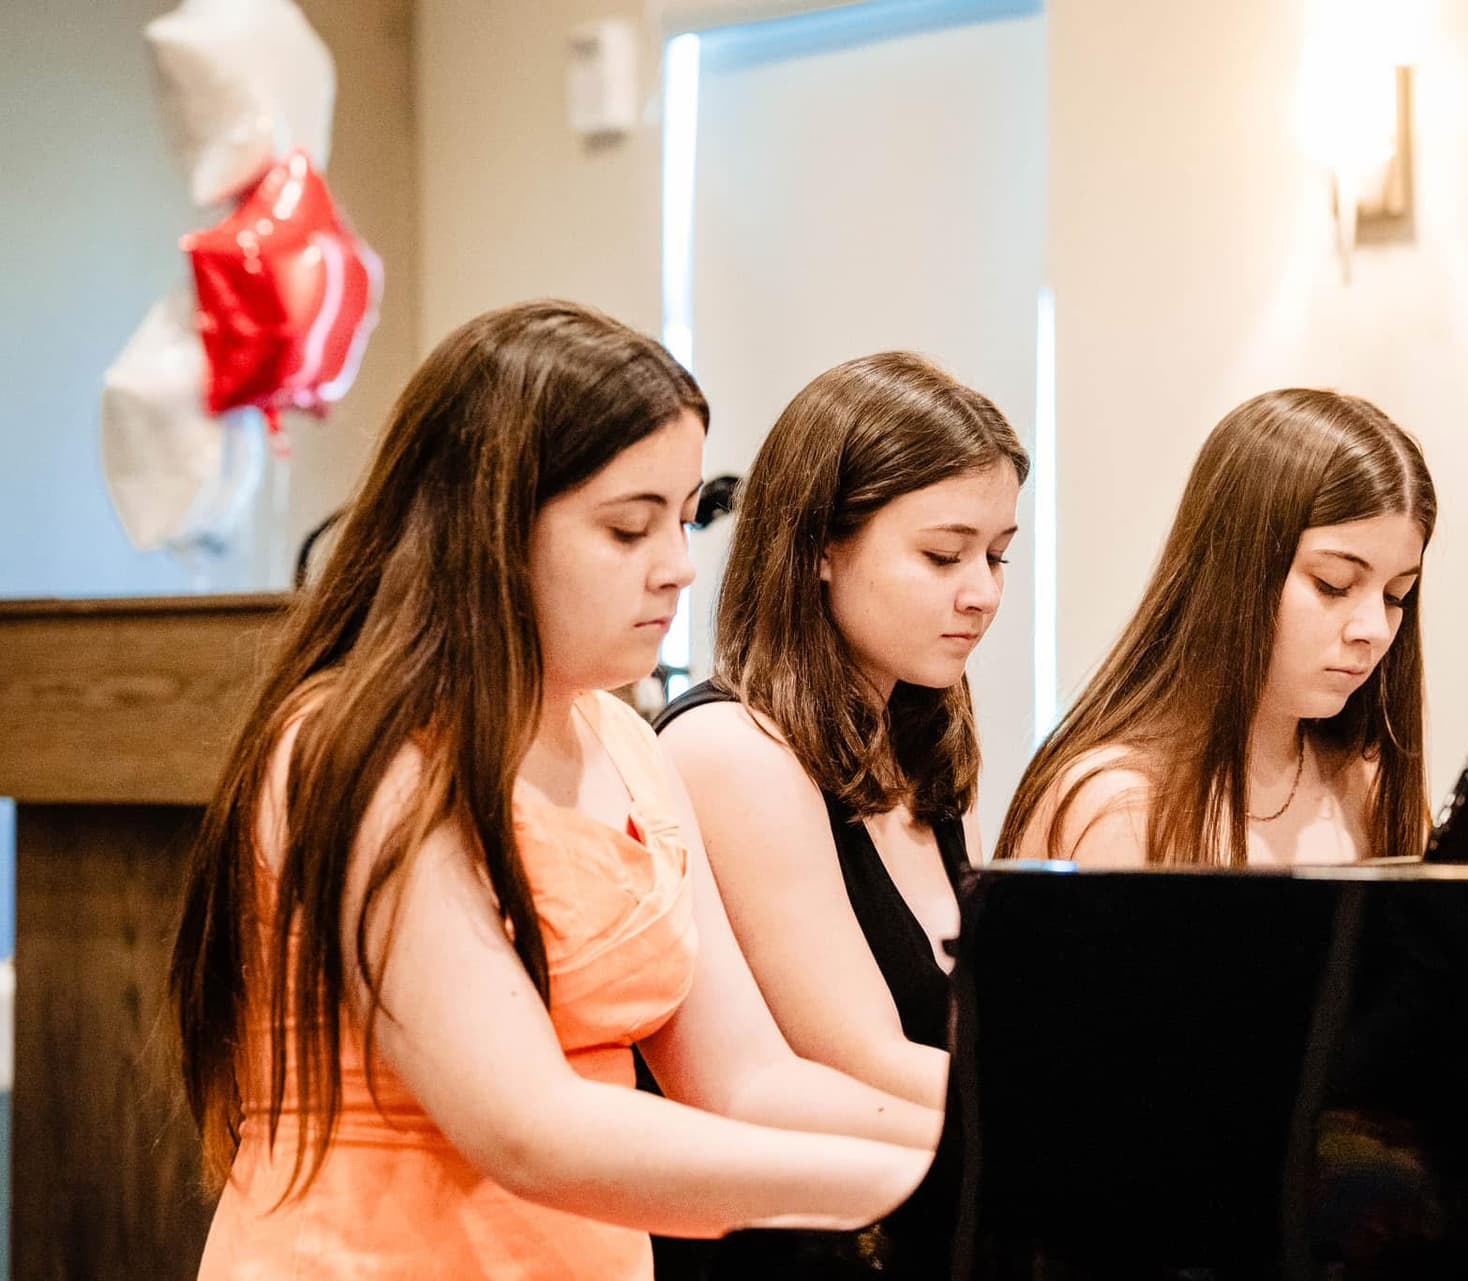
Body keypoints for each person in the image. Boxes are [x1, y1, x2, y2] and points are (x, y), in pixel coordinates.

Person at [170, 300, 934, 1280]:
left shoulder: (627, 741)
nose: (678, 569)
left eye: (683, 519)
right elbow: (528, 1127)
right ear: (487, 529)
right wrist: (913, 1178)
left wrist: (989, 1137)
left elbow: (746, 1081)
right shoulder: (355, 752)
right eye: (628, 528)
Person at [650, 353, 1024, 1277]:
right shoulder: (733, 746)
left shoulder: (926, 745)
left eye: (997, 555)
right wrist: (1065, 1113)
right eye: (943, 555)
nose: (981, 592)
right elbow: (857, 1057)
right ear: (820, 545)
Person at [997, 387, 1434, 868]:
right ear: (1237, 570)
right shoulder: (1122, 805)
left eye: (1396, 596)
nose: (1374, 629)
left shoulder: (1371, 791)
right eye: (1334, 584)